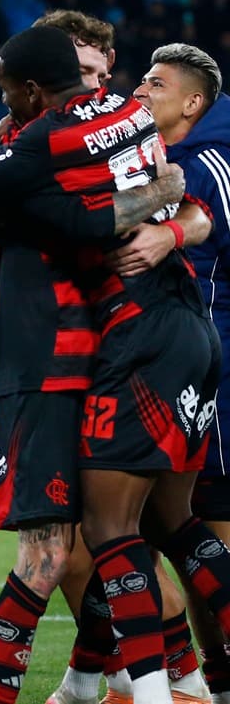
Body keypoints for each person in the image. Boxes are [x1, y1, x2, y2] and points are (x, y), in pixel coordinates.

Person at [0, 25, 224, 704]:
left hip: (108, 345)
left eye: (11, 90)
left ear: (31, 89)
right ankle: (138, 680)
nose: (115, 85)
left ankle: (144, 689)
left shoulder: (45, 140)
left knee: (91, 535)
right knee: (166, 524)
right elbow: (167, 202)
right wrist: (159, 200)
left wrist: (13, 205)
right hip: (161, 333)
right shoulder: (131, 117)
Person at [27, 12, 205, 704]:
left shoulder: (132, 141)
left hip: (129, 349)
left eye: (107, 75)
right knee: (115, 534)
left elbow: (191, 204)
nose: (103, 90)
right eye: (85, 74)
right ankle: (98, 680)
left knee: (111, 531)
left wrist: (168, 213)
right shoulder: (33, 139)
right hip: (78, 353)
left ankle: (174, 680)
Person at [133, 43, 230, 704]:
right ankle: (204, 681)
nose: (140, 88)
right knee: (160, 535)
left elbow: (201, 219)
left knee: (212, 531)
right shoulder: (157, 163)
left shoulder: (210, 163)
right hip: (160, 372)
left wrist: (168, 231)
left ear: (192, 102)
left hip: (212, 374)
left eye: (156, 82)